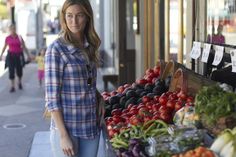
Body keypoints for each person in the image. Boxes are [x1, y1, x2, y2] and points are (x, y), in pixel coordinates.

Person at [45, 0, 104, 157]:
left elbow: (86, 82)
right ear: (64, 17)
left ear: (87, 17)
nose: (74, 21)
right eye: (69, 16)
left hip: (91, 127)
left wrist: (99, 97)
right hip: (68, 130)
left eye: (79, 15)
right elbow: (52, 98)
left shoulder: (89, 46)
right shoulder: (56, 49)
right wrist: (63, 136)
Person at [0, 24, 31, 92]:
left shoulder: (19, 37)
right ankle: (12, 86)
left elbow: (24, 47)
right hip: (10, 56)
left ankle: (19, 82)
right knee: (11, 71)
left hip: (18, 56)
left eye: (14, 29)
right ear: (9, 30)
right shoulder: (7, 38)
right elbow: (4, 47)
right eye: (11, 29)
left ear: (15, 29)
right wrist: (1, 54)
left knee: (19, 70)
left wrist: (28, 55)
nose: (13, 30)